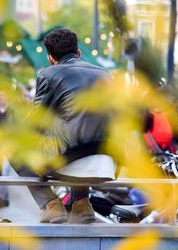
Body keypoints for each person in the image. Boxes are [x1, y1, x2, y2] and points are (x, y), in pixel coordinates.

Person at [17, 28, 113, 224]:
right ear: (78, 53)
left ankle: (50, 205)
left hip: (69, 161)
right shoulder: (105, 74)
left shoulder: (49, 74)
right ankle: (81, 204)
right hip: (108, 161)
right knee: (81, 135)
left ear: (50, 57)